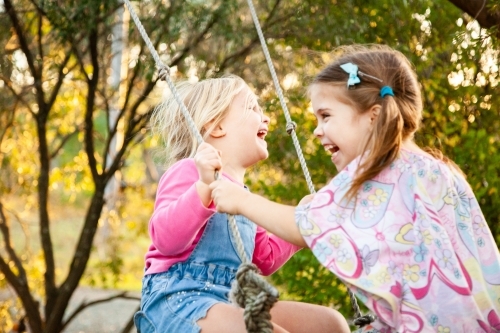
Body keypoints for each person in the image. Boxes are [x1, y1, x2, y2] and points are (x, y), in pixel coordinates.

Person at [209, 46, 500, 333]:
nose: (317, 130)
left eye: (326, 116)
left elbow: (305, 226)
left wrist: (241, 200)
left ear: (372, 116)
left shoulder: (374, 175)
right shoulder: (437, 170)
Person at [133, 75, 350, 333]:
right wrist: (203, 189)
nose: (266, 117)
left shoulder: (242, 198)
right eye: (252, 107)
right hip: (179, 299)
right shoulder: (189, 172)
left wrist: (303, 222)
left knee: (330, 324)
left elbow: (264, 258)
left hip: (233, 299)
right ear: (216, 127)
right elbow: (165, 238)